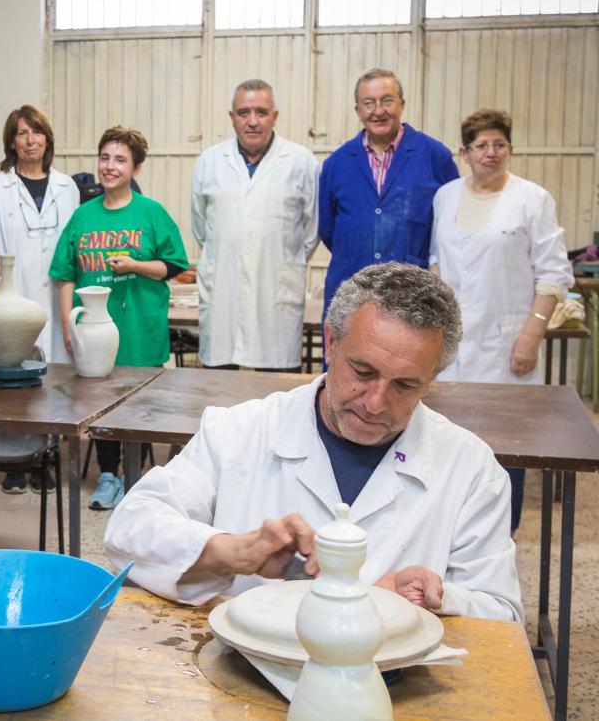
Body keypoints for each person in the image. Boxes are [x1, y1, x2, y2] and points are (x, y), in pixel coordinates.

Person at [104, 263, 522, 622]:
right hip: (243, 676)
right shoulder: (239, 431)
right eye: (363, 372)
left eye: (405, 385)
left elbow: (502, 612)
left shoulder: (470, 469)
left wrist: (436, 598)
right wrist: (231, 551)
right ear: (331, 342)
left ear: (431, 380)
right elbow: (129, 528)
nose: (376, 403)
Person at [431, 108, 574, 533]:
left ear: (509, 149)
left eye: (499, 145)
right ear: (464, 152)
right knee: (451, 442)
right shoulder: (446, 196)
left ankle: (502, 533)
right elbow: (437, 260)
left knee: (506, 444)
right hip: (454, 344)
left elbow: (553, 274)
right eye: (481, 146)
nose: (490, 153)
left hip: (509, 345)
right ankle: (452, 533)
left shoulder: (532, 198)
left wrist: (531, 336)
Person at [49, 127, 188, 510]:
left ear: (136, 167)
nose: (110, 167)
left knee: (139, 407)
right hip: (93, 330)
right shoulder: (83, 216)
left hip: (140, 325)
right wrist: (67, 324)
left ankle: (134, 478)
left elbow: (171, 266)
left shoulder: (151, 213)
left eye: (120, 159)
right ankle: (108, 475)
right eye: (105, 158)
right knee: (99, 402)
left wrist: (135, 265)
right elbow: (64, 276)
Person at [0, 105, 81, 496]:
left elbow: (76, 245)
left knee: (55, 381)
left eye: (36, 132)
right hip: (13, 297)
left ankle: (47, 457)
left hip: (56, 297)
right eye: (21, 133)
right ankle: (15, 462)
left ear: (47, 139)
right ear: (11, 142)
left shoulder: (68, 188)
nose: (30, 140)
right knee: (16, 382)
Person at [191, 79, 319, 370]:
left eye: (261, 112)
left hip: (276, 300)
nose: (252, 122)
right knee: (219, 393)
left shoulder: (301, 162)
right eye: (243, 112)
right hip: (224, 295)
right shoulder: (209, 162)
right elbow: (202, 230)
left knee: (277, 395)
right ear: (231, 117)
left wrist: (280, 260)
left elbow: (311, 232)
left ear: (275, 116)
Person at [318, 68, 459, 315]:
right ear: (358, 111)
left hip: (413, 295)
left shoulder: (435, 157)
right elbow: (328, 230)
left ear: (401, 104)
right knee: (349, 353)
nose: (379, 111)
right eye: (369, 103)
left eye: (387, 101)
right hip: (351, 291)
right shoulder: (336, 164)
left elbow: (451, 224)